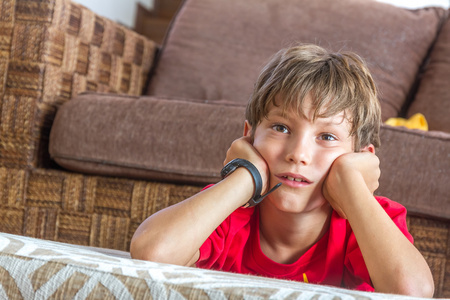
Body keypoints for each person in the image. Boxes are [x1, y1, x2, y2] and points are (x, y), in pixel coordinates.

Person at [130, 44, 434, 297]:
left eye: (327, 137)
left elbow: (412, 292)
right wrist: (245, 175)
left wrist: (353, 187)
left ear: (360, 158)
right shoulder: (230, 211)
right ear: (249, 137)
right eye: (281, 127)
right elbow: (151, 253)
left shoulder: (368, 221)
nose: (298, 154)